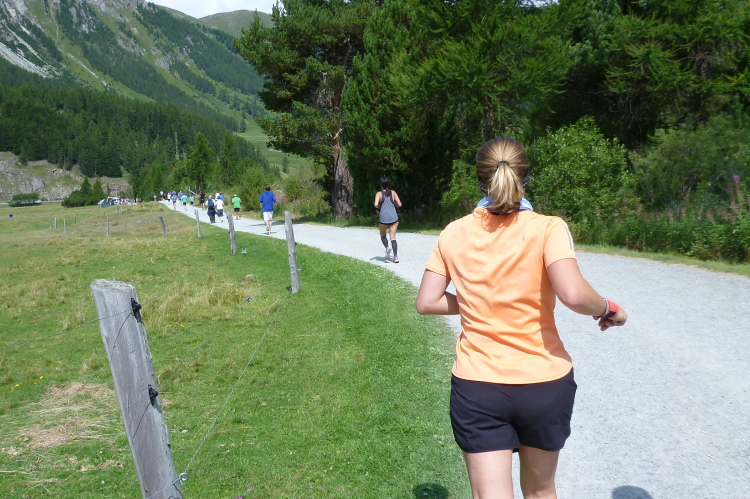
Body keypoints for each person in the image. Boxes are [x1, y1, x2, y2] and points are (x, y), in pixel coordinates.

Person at [415, 137, 627, 499]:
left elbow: (427, 301)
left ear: (479, 180)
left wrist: (480, 302)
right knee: (541, 492)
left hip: (478, 385)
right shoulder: (548, 227)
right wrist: (608, 308)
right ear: (525, 176)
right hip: (544, 383)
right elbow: (573, 294)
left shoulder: (453, 232)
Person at [374, 177, 402, 263]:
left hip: (384, 217)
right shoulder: (393, 192)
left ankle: (387, 247)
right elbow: (400, 204)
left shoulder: (378, 194)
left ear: (380, 185)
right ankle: (396, 257)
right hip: (393, 217)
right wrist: (393, 204)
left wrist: (380, 207)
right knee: (393, 237)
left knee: (383, 235)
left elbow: (375, 204)